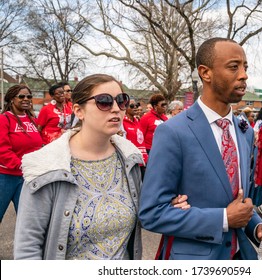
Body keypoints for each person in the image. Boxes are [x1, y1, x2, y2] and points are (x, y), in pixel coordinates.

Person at [13, 74, 189, 260]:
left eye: (121, 101)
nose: (116, 109)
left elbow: (140, 216)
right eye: (103, 102)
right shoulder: (47, 166)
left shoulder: (130, 160)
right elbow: (27, 249)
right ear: (79, 111)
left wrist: (163, 207)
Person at [139, 37, 262, 260]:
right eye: (234, 67)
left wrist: (257, 228)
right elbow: (151, 213)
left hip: (241, 254)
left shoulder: (244, 131)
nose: (244, 74)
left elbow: (240, 200)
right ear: (205, 73)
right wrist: (223, 219)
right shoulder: (173, 132)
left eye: (245, 67)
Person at [0, 85, 43, 223]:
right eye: (21, 96)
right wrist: (22, 165)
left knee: (27, 221)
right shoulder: (4, 119)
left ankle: (23, 245)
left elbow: (37, 146)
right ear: (12, 99)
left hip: (27, 177)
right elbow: (2, 150)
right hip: (5, 177)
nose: (26, 99)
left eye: (29, 97)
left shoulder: (31, 120)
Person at [123, 97, 148, 179]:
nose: (135, 107)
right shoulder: (122, 122)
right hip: (131, 161)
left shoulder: (137, 121)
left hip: (142, 160)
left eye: (136, 105)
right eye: (132, 106)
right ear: (125, 107)